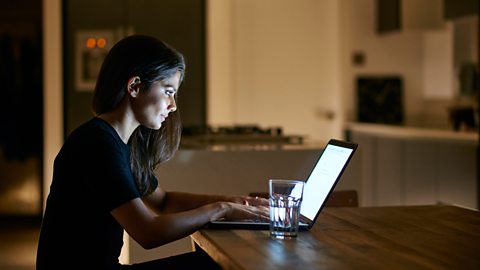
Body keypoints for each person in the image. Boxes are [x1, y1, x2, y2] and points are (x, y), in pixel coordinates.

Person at [36, 35, 269, 270]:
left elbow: (164, 201)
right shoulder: (96, 143)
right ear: (135, 86)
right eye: (168, 91)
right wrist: (222, 210)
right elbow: (148, 232)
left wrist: (237, 202)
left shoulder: (119, 141)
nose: (173, 105)